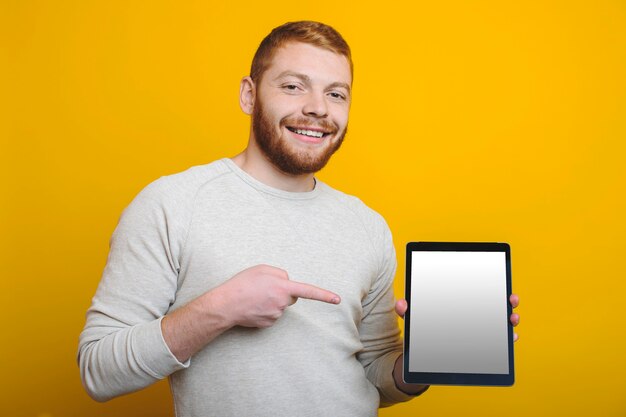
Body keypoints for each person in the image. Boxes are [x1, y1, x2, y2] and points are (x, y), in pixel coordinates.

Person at [78, 21, 520, 417]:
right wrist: (221, 308)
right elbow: (99, 371)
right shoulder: (172, 204)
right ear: (249, 94)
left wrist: (433, 355)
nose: (318, 108)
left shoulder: (367, 225)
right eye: (293, 87)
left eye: (336, 93)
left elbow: (376, 374)